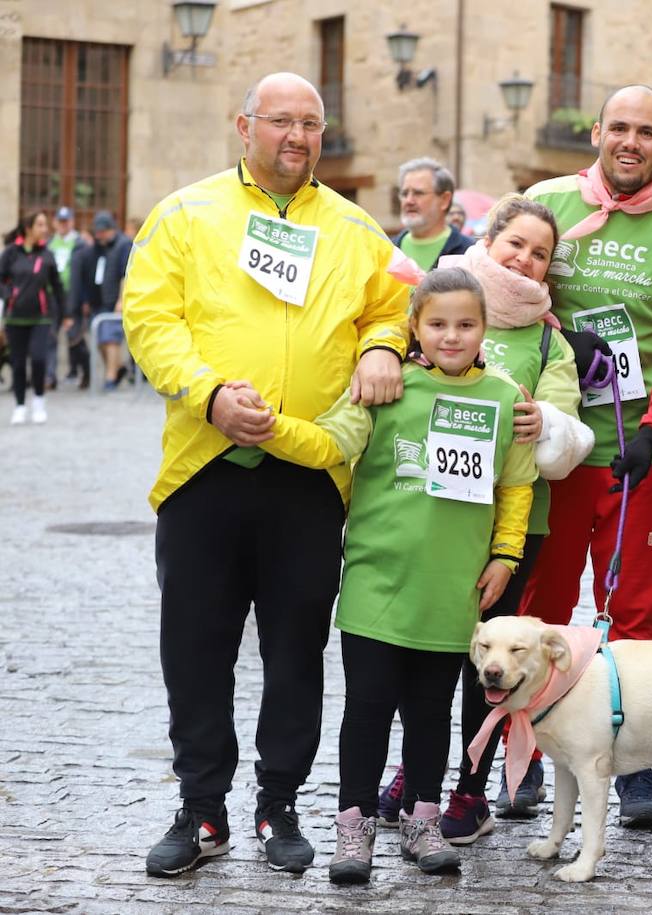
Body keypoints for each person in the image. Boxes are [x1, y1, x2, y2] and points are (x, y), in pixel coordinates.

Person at [125, 71, 410, 878]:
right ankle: (202, 807)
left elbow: (390, 308)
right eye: (280, 121)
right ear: (242, 125)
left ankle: (278, 800)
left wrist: (385, 345)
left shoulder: (356, 229)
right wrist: (209, 394)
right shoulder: (186, 213)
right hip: (204, 465)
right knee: (197, 646)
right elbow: (150, 319)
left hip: (308, 474)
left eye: (311, 123)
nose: (296, 136)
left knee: (296, 647)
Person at [269, 266, 536, 883]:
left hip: (454, 585)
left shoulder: (503, 396)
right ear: (414, 327)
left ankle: (422, 819)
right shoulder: (388, 387)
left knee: (430, 709)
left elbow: (517, 482)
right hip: (377, 579)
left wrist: (506, 555)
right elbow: (333, 441)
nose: (451, 336)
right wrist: (273, 428)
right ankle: (354, 828)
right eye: (438, 324)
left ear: (484, 328)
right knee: (366, 707)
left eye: (466, 324)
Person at [517, 83, 652, 823]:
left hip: (642, 454)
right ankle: (526, 755)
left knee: (632, 614)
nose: (629, 142)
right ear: (597, 134)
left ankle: (631, 761)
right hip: (552, 450)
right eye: (618, 128)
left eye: (646, 132)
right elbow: (501, 287)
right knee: (542, 608)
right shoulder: (549, 200)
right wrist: (552, 327)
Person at [373, 195, 591, 842]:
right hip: (430, 517)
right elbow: (391, 343)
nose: (525, 258)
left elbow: (564, 428)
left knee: (486, 669)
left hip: (509, 527)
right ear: (490, 239)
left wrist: (542, 419)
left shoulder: (551, 336)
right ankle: (414, 777)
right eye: (516, 243)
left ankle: (470, 790)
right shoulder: (441, 297)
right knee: (423, 657)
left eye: (540, 253)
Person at [1, 211, 64, 425]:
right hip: (15, 318)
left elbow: (57, 286)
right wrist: (8, 294)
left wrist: (63, 314)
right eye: (40, 225)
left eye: (45, 225)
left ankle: (39, 401)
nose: (44, 229)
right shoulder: (11, 253)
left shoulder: (47, 254)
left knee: (38, 359)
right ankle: (20, 406)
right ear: (28, 228)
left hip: (41, 317)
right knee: (18, 363)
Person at [71, 211, 133, 390]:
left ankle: (111, 376)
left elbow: (126, 275)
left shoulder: (123, 245)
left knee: (111, 338)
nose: (98, 236)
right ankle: (117, 369)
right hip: (97, 300)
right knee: (100, 339)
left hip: (113, 299)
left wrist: (121, 300)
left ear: (109, 229)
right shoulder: (97, 247)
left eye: (101, 232)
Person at [393, 157, 472, 269]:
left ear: (445, 199)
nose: (409, 201)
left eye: (418, 193)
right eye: (405, 194)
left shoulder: (469, 253)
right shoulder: (387, 251)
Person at [47, 205, 85, 389]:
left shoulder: (80, 244)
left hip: (73, 296)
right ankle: (50, 375)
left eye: (66, 221)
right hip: (53, 296)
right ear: (55, 223)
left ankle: (78, 370)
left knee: (75, 336)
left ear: (72, 222)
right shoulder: (49, 244)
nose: (63, 225)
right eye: (60, 221)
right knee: (50, 336)